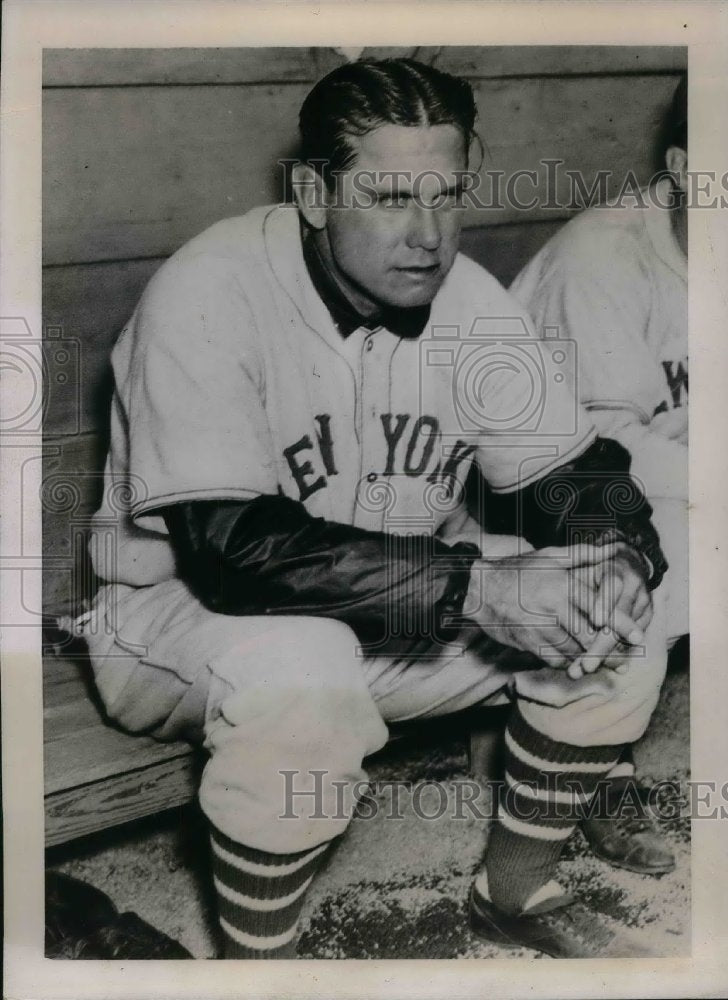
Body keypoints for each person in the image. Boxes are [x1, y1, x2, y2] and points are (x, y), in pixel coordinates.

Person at [78, 58, 670, 960]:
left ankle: (516, 890)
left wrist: (620, 557)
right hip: (176, 623)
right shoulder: (210, 289)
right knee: (304, 672)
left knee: (616, 614)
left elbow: (580, 473)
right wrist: (482, 589)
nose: (429, 234)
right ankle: (260, 969)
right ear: (314, 193)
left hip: (400, 603)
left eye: (447, 195)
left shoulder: (466, 299)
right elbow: (233, 552)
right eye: (391, 195)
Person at [510, 75, 687, 876]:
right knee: (659, 559)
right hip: (527, 506)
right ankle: (592, 768)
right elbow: (599, 451)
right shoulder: (605, 258)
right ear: (685, 168)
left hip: (668, 482)